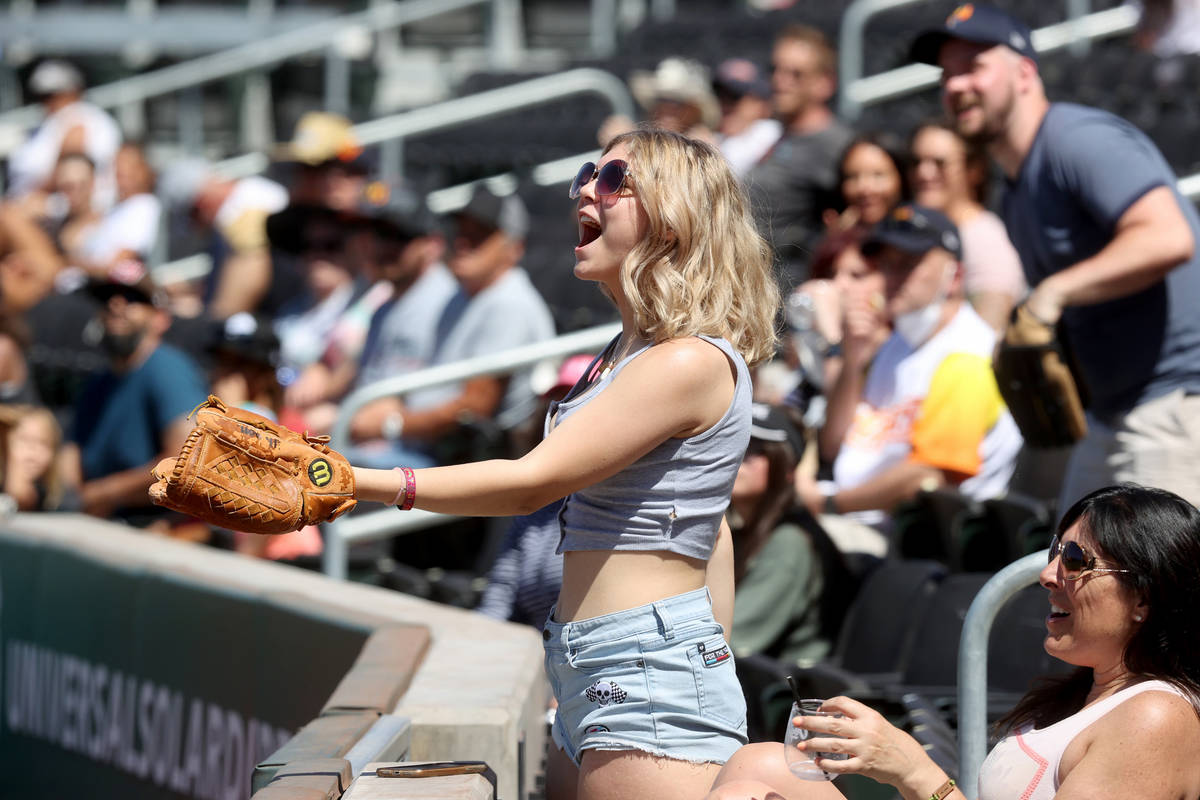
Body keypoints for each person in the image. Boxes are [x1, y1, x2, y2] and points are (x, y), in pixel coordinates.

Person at [349, 128, 780, 800]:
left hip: (644, 672)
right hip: (599, 661)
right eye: (586, 173)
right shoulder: (627, 351)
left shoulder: (689, 360)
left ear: (673, 218)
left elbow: (529, 484)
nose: (584, 190)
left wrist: (351, 483)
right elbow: (712, 530)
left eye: (612, 181)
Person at [705, 483, 1200, 800]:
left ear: (1143, 597)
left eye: (1075, 560)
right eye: (1054, 552)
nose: (1048, 574)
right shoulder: (1083, 696)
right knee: (761, 764)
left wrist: (916, 772)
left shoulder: (1154, 719)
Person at [909, 3, 1200, 511]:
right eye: (946, 75)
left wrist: (1052, 294)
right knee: (1064, 556)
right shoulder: (1015, 188)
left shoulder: (1076, 141)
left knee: (1158, 563)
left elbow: (1168, 237)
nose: (955, 85)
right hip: (1111, 415)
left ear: (1025, 72)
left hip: (1174, 405)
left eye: (973, 66)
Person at [797, 204, 1022, 550]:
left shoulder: (967, 354)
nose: (891, 277)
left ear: (955, 276)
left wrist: (827, 504)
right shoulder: (896, 343)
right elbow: (832, 445)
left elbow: (929, 477)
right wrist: (853, 359)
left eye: (908, 263)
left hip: (915, 541)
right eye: (886, 264)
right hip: (854, 522)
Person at [348, 185, 554, 469]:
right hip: (424, 451)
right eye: (461, 231)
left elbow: (473, 408)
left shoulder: (508, 303)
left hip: (468, 464)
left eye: (480, 235)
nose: (463, 242)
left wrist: (391, 424)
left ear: (514, 249)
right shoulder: (461, 296)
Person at [62, 261, 207, 526]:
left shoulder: (167, 369)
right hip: (99, 522)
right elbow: (72, 451)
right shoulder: (100, 380)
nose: (116, 304)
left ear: (160, 318)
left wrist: (101, 493)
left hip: (150, 525)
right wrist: (69, 494)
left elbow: (184, 462)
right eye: (108, 297)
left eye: (132, 298)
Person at [728, 403, 854, 666]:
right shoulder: (741, 531)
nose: (737, 454)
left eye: (756, 449)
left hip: (783, 686)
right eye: (732, 440)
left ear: (787, 470)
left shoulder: (789, 543)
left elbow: (729, 644)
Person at [746, 24, 855, 289]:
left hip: (786, 292)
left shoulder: (835, 144)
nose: (779, 81)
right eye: (775, 70)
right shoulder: (780, 134)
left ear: (825, 83)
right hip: (754, 284)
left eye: (796, 74)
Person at [909, 120, 1025, 331]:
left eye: (940, 163)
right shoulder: (923, 233)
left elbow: (989, 331)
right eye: (916, 162)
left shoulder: (984, 238)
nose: (923, 173)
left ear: (974, 171)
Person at [158, 158, 289, 320]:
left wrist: (202, 315)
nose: (197, 227)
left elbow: (245, 289)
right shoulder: (250, 196)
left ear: (201, 204)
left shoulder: (242, 214)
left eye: (193, 217)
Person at [7, 60, 121, 210]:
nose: (46, 102)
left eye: (52, 95)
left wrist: (24, 201)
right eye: (41, 96)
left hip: (61, 203)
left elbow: (69, 175)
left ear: (74, 91)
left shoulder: (79, 119)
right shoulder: (49, 123)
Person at [823, 133, 909, 233]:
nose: (864, 188)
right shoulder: (834, 236)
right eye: (852, 177)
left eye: (878, 175)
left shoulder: (919, 232)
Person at [711, 58, 782, 177]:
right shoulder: (716, 137)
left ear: (761, 103)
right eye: (720, 95)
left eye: (734, 97)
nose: (725, 104)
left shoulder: (771, 133)